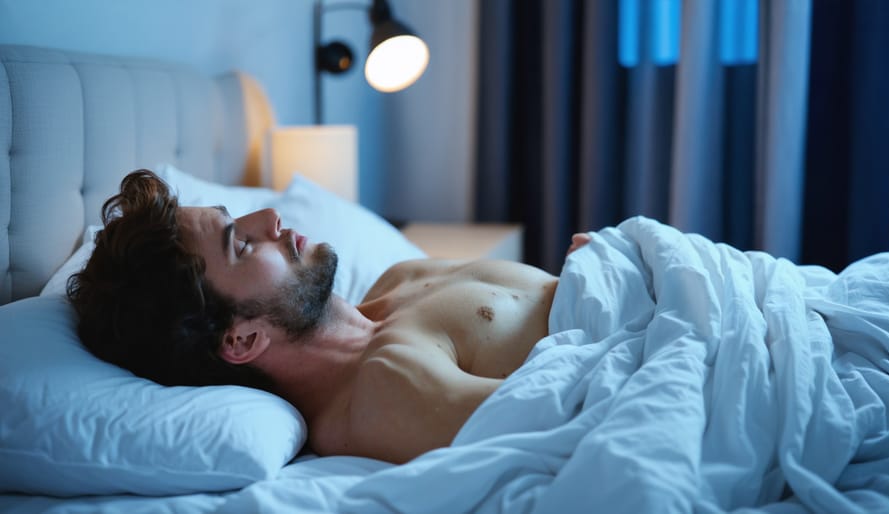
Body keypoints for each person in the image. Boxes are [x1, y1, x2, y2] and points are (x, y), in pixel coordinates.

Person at [68, 169, 592, 464]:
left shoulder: (398, 279)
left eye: (238, 218)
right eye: (242, 246)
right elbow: (580, 417)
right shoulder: (387, 391)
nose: (270, 219)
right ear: (241, 339)